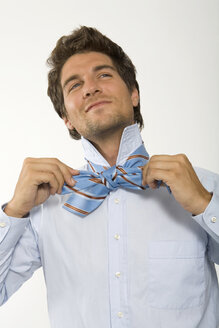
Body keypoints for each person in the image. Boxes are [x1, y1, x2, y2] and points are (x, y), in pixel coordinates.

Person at [0, 26, 219, 328]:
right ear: (66, 118)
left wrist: (205, 205)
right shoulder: (45, 208)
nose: (90, 88)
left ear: (133, 93)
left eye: (103, 75)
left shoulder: (202, 186)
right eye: (74, 86)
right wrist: (14, 211)